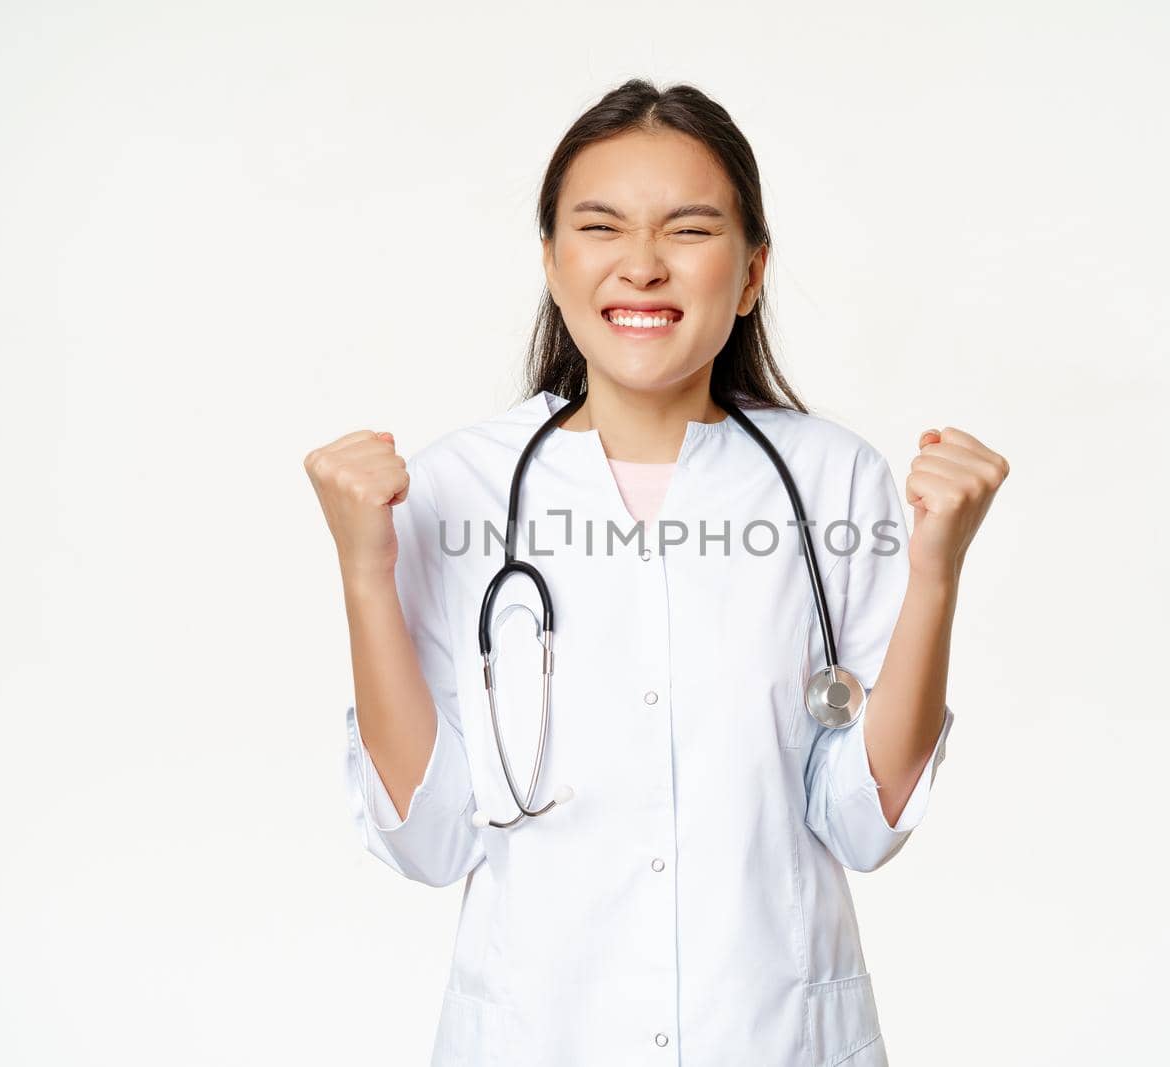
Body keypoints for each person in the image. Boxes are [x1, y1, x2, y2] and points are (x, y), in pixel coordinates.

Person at [304, 78, 1009, 1067]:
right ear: (551, 261)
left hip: (770, 1034)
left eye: (688, 230)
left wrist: (935, 569)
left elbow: (862, 821)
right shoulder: (454, 486)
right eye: (599, 227)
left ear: (751, 271)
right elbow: (430, 840)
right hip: (539, 1033)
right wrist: (365, 575)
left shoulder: (831, 480)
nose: (641, 266)